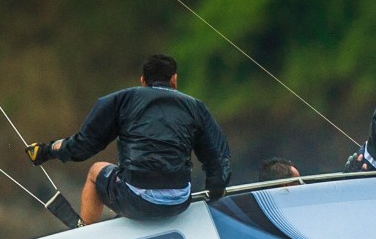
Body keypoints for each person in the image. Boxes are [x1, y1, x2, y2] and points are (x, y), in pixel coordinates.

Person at [25, 54, 231, 225]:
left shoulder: (120, 100)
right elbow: (219, 159)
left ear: (142, 81)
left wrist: (46, 151)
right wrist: (214, 194)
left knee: (95, 171)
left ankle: (85, 233)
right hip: (179, 203)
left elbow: (82, 147)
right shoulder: (196, 107)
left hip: (135, 200)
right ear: (174, 80)